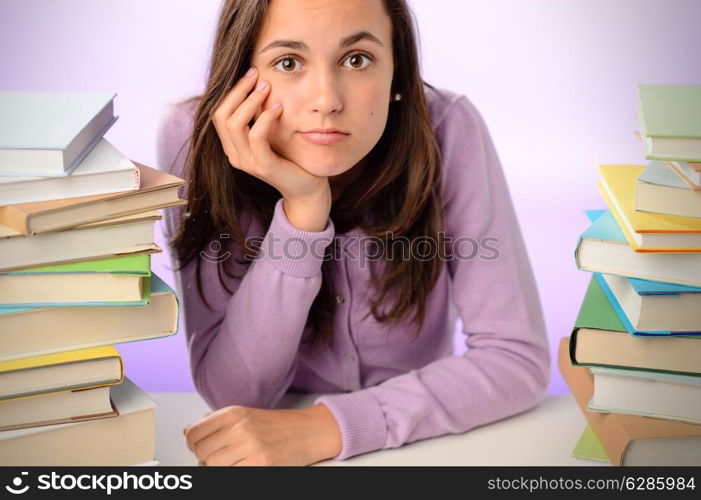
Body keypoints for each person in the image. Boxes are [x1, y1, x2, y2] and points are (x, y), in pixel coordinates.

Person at [157, 0, 550, 466]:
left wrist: (332, 427)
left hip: (427, 450)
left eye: (357, 59)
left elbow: (516, 359)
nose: (327, 100)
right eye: (288, 62)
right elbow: (233, 394)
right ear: (241, 69)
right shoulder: (192, 139)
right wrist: (302, 213)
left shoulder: (448, 129)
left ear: (396, 69)